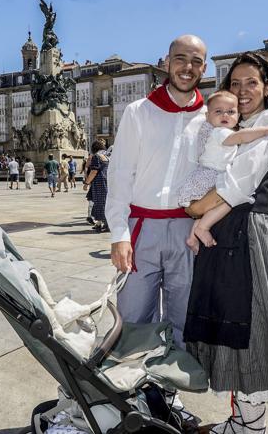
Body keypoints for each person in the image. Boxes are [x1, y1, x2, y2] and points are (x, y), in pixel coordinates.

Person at [182, 52, 268, 433]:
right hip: (230, 233)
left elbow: (241, 181)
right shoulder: (240, 124)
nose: (241, 91)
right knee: (233, 327)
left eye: (251, 83)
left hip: (253, 234)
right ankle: (241, 422)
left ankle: (249, 428)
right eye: (234, 84)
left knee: (253, 327)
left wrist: (194, 209)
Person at [106, 34, 207, 349]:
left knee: (185, 317)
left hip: (187, 231)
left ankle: (171, 387)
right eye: (180, 59)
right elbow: (121, 174)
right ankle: (137, 389)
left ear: (204, 68)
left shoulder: (211, 119)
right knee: (134, 316)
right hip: (142, 229)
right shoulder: (139, 111)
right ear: (166, 62)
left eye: (196, 61)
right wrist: (119, 235)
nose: (187, 68)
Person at [176, 90, 268, 251]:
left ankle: (193, 236)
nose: (225, 115)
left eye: (231, 112)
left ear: (237, 116)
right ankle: (203, 228)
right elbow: (242, 137)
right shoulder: (219, 132)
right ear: (208, 116)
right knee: (230, 200)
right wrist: (264, 130)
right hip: (210, 176)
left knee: (212, 207)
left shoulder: (217, 131)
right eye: (218, 111)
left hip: (208, 177)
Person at [84, 141, 110, 232]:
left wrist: (87, 183)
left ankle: (106, 224)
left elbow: (94, 171)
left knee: (99, 203)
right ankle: (100, 223)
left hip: (98, 183)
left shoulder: (96, 157)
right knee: (103, 203)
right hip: (106, 182)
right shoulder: (106, 157)